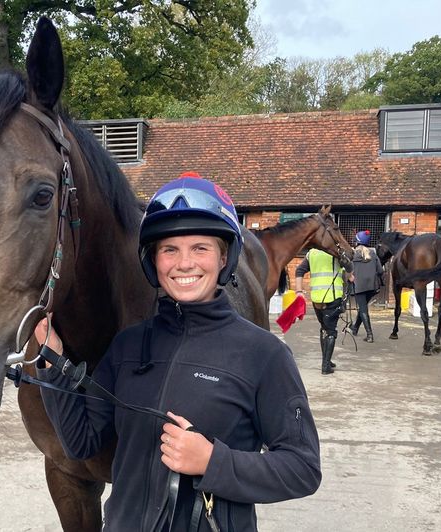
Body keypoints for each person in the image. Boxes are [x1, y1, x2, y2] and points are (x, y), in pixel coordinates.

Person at [34, 174, 321, 531]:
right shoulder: (128, 346)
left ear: (223, 258)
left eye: (200, 248)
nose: (184, 263)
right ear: (153, 262)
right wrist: (52, 362)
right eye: (169, 249)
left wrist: (213, 462)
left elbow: (303, 469)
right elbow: (80, 443)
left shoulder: (264, 355)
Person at [295, 247, 353, 374]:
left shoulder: (312, 253)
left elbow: (299, 270)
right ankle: (326, 366)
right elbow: (348, 270)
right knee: (331, 331)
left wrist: (299, 291)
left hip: (317, 298)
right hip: (332, 296)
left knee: (323, 328)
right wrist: (349, 274)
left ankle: (327, 359)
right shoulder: (336, 253)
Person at [348, 230, 383, 343]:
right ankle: (355, 328)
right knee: (363, 308)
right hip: (372, 287)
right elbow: (380, 271)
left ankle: (369, 335)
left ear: (357, 242)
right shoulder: (373, 254)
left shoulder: (353, 254)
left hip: (359, 286)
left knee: (363, 309)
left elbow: (347, 270)